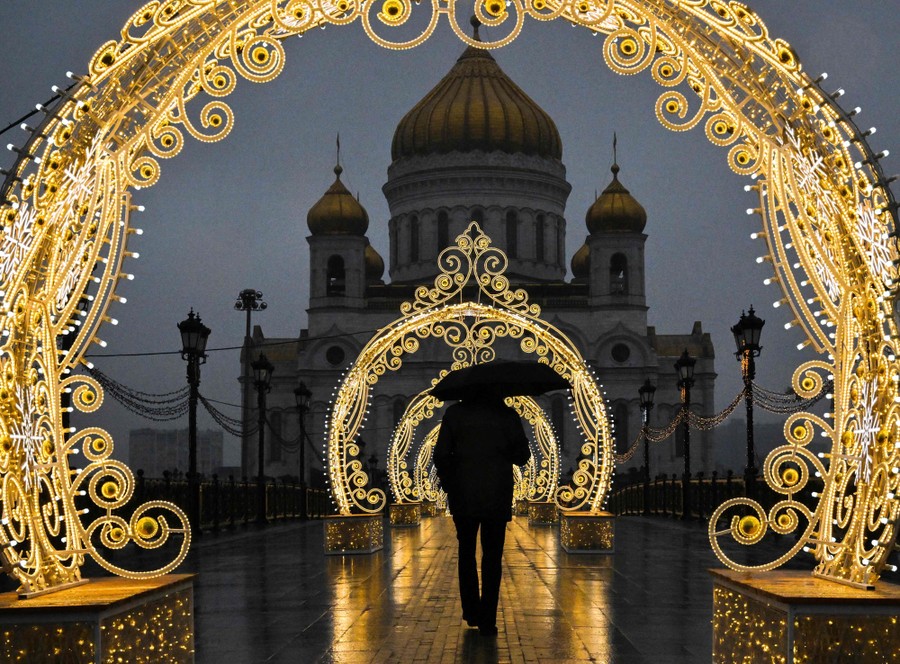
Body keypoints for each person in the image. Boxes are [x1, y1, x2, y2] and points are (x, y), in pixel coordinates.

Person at [433, 390, 531, 636]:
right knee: (492, 557)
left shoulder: (454, 414)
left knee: (466, 553)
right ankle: (488, 618)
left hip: (463, 494)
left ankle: (471, 611)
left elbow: (441, 455)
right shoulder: (507, 415)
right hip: (497, 494)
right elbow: (523, 457)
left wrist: (448, 483)